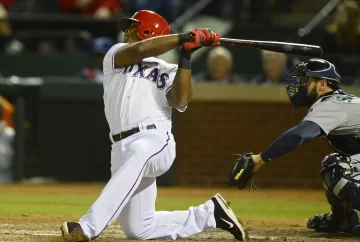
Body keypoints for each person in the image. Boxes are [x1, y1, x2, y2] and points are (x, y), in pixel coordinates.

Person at [60, 10, 246, 241]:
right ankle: (210, 214)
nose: (127, 31)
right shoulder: (116, 54)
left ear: (147, 30)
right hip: (120, 147)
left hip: (154, 141)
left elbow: (181, 100)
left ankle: (86, 228)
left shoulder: (170, 70)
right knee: (139, 228)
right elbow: (141, 50)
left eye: (132, 26)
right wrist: (184, 37)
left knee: (139, 153)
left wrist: (186, 55)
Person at [234, 58, 360, 234]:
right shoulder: (340, 101)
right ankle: (344, 221)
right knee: (332, 162)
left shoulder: (331, 104)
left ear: (322, 85)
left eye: (306, 81)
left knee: (336, 168)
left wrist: (260, 159)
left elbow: (299, 134)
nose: (301, 87)